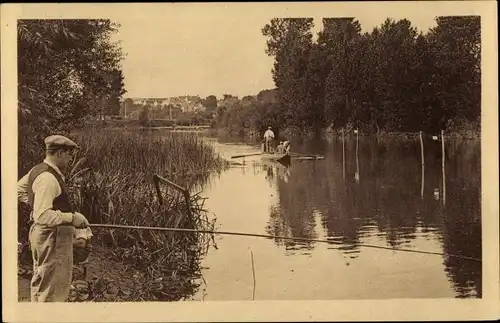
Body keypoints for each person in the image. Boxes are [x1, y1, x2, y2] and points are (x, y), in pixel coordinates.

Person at [17, 134, 90, 302]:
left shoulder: (38, 170)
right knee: (53, 290)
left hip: (44, 235)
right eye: (70, 154)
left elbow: (19, 191)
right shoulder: (48, 178)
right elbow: (42, 215)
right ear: (59, 153)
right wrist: (71, 217)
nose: (71, 158)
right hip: (53, 238)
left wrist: (38, 204)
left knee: (42, 281)